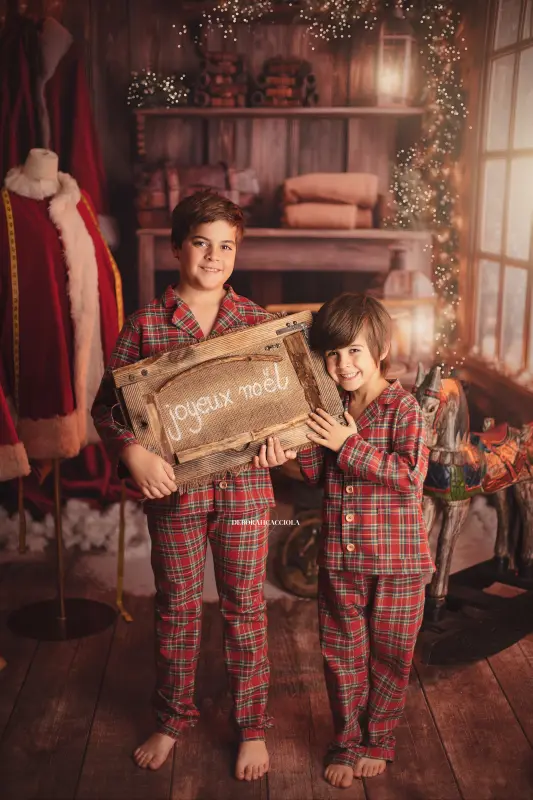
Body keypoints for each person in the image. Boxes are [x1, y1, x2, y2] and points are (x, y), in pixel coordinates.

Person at [92, 190, 285, 781]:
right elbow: (109, 405)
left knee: (245, 606)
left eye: (226, 245)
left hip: (247, 491)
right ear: (177, 247)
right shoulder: (148, 324)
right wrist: (131, 452)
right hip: (173, 492)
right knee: (176, 605)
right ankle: (173, 716)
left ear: (237, 252)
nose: (213, 256)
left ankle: (251, 724)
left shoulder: (255, 322)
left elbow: (282, 404)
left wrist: (285, 443)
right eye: (201, 243)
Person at [260, 293, 433, 788]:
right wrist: (288, 454)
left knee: (392, 655)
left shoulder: (405, 409)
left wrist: (347, 443)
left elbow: (409, 477)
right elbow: (318, 473)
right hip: (341, 560)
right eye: (332, 354)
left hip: (398, 564)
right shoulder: (331, 406)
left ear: (379, 350)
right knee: (342, 655)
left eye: (353, 351)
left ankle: (378, 738)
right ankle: (346, 740)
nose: (342, 364)